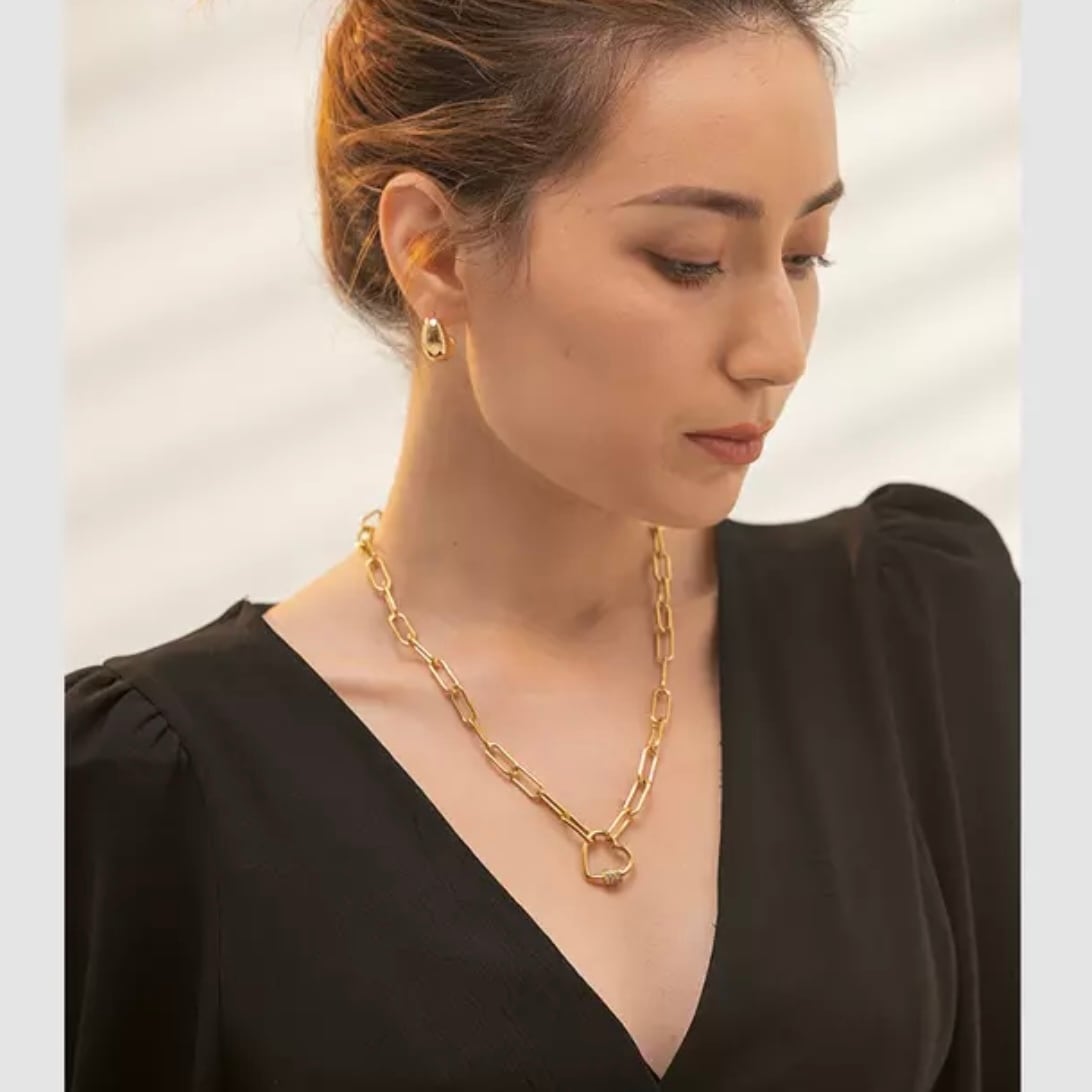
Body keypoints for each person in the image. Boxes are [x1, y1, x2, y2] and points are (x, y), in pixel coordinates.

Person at [64, 1, 1020, 1089]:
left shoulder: (911, 632)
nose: (777, 348)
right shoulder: (151, 796)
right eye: (690, 261)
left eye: (804, 257)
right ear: (433, 250)